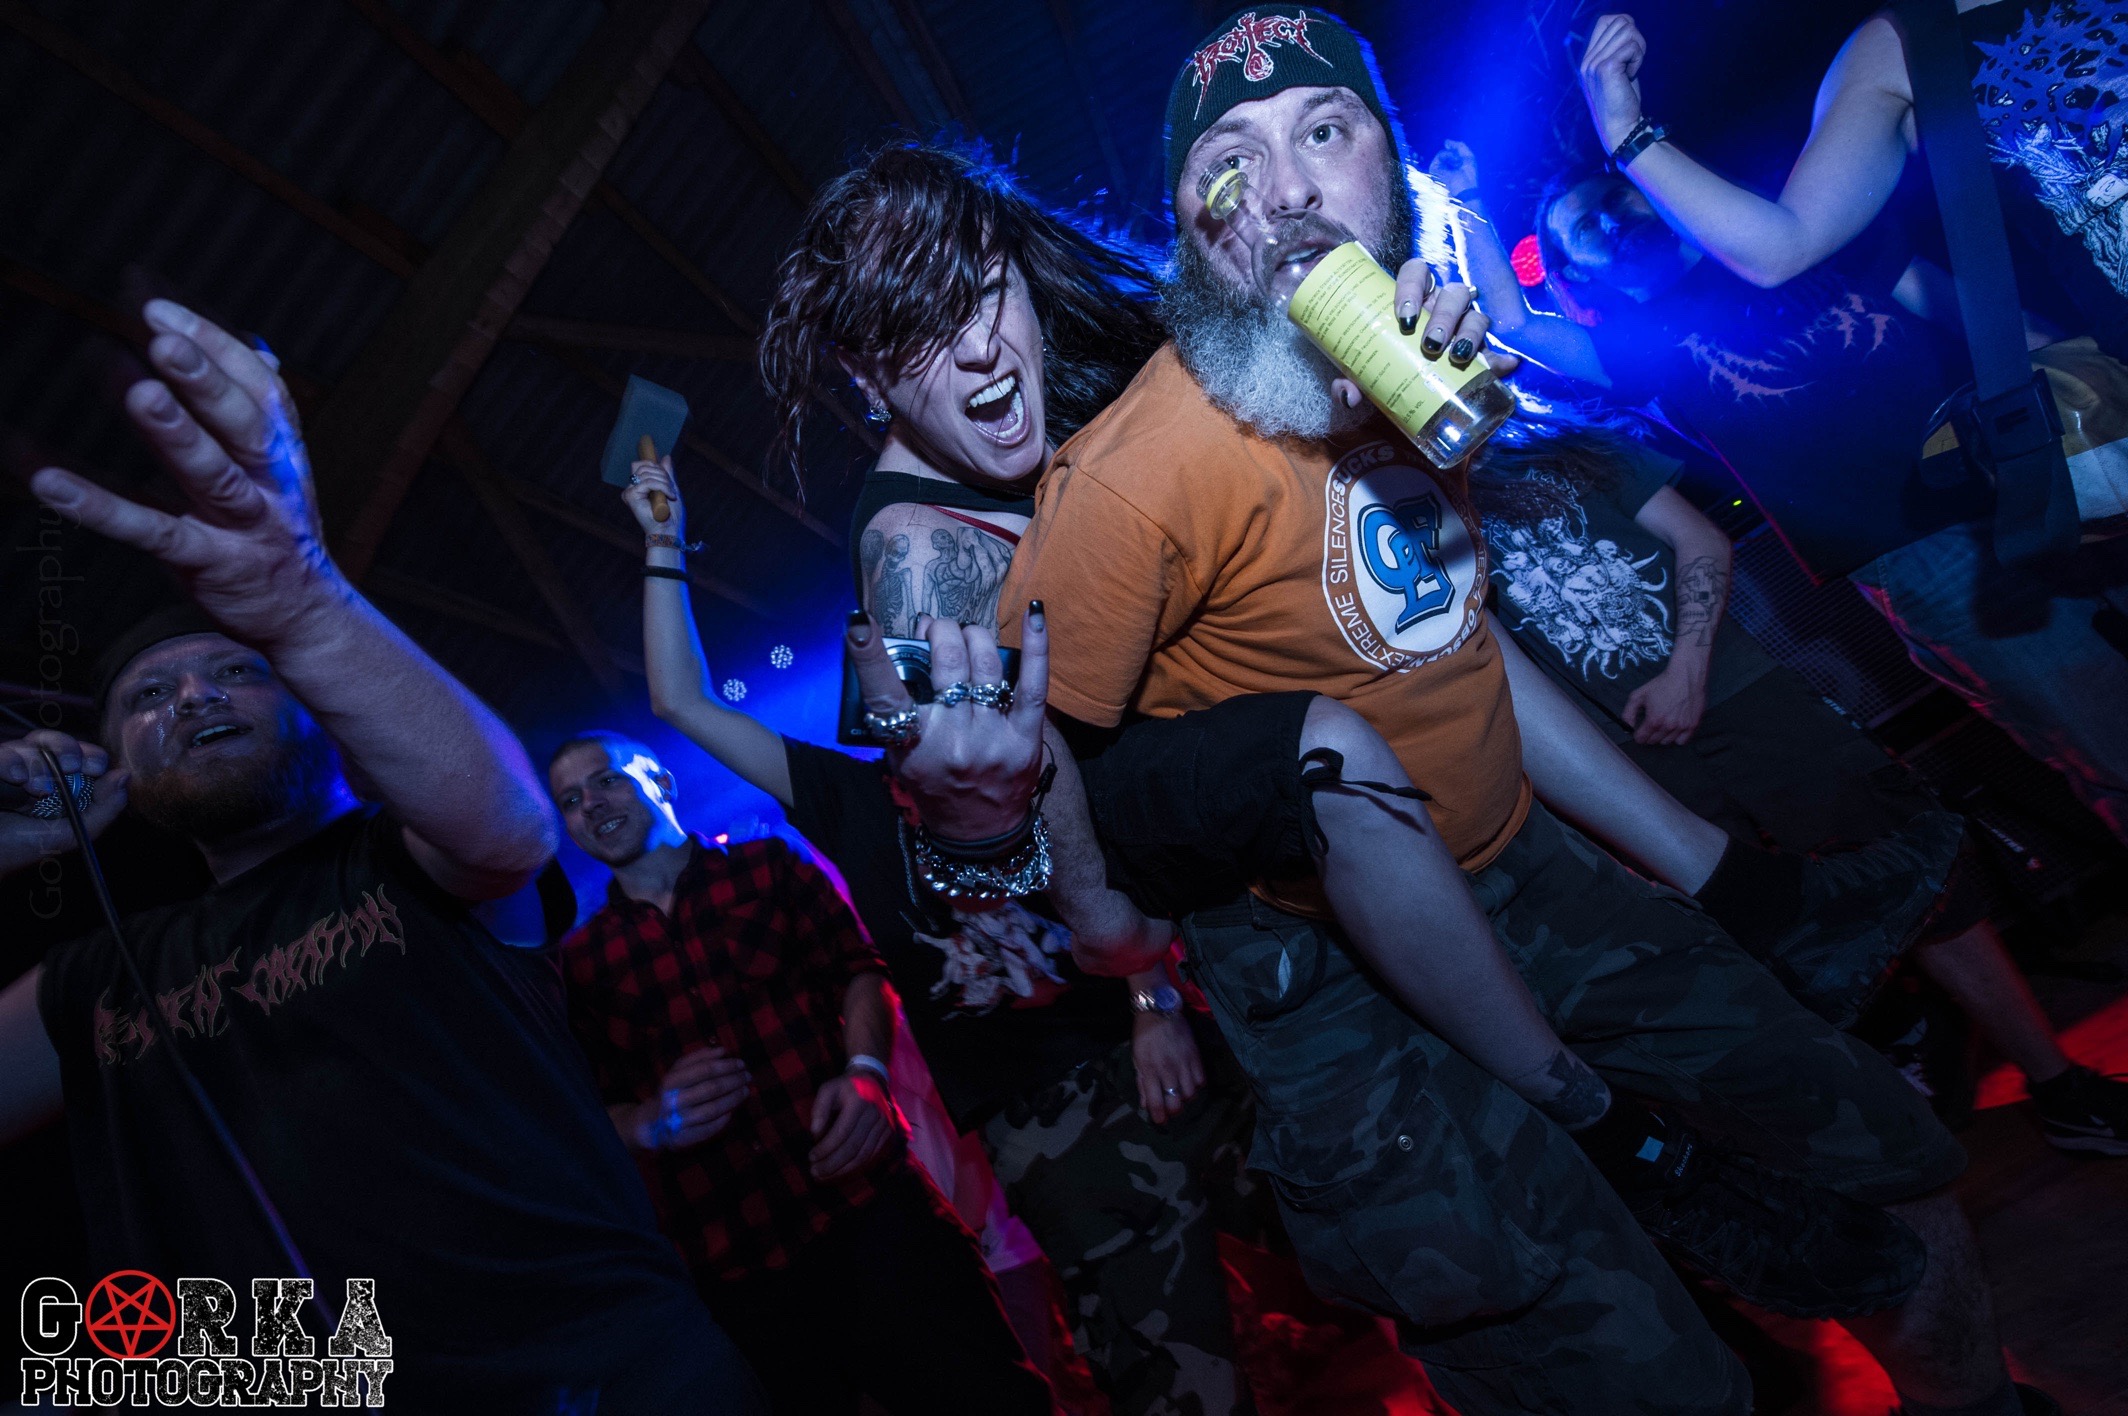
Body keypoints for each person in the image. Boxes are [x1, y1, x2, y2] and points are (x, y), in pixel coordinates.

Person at [849, 9, 2048, 1414]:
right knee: (1616, 1362)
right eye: (1229, 166)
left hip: (1529, 860)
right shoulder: (1101, 485)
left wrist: (1711, 870)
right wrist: (1110, 940)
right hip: (1318, 956)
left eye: (1324, 133)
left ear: (1394, 166)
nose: (1283, 190)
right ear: (1193, 227)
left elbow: (1447, 644)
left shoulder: (1400, 367)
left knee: (1880, 1168)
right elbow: (1033, 777)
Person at [0, 301, 761, 1413]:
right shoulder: (96, 978)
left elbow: (507, 831)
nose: (194, 696)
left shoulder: (403, 860)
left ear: (320, 707)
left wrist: (303, 607)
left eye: (238, 672)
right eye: (149, 696)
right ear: (113, 766)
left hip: (597, 1377)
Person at [1468, 403, 2128, 1152]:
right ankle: (1902, 1078)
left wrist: (1687, 672)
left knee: (1911, 874)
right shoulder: (1420, 524)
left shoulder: (1569, 447)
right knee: (1762, 936)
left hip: (1741, 696)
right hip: (1630, 759)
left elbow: (1702, 540)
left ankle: (2057, 1084)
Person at [1537, 11, 2128, 842]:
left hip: (2046, 454)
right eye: (1585, 229)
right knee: (2104, 731)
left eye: (1611, 201)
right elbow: (1513, 322)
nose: (1609, 222)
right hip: (1917, 543)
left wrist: (2084, 376)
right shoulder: (1634, 349)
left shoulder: (1782, 224)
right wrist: (1475, 200)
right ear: (1575, 272)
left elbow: (1965, 307)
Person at [545, 733, 1051, 1415]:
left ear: (660, 780)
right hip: (740, 1271)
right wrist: (646, 1122)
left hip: (871, 1211)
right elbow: (582, 1112)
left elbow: (859, 970)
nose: (591, 804)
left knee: (991, 1400)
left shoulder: (768, 869)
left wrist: (867, 1072)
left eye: (606, 780)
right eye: (570, 800)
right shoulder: (580, 965)